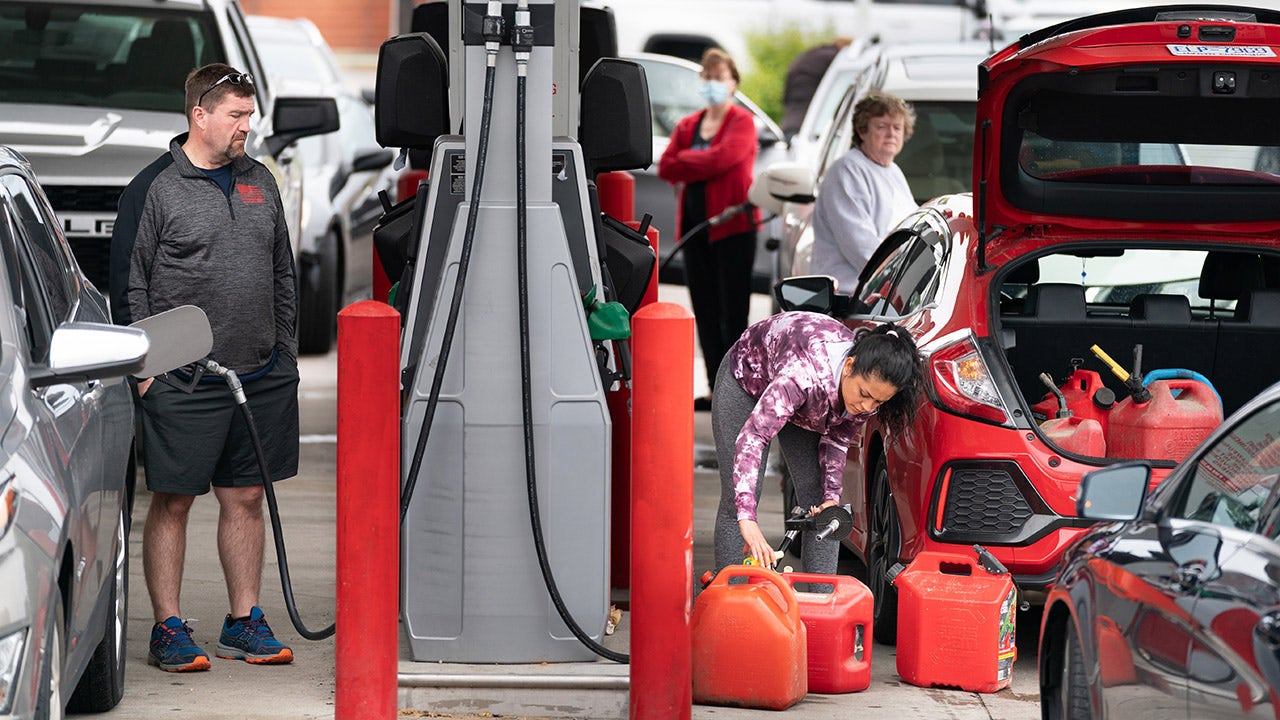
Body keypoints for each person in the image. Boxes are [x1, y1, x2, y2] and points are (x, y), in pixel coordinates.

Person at [109, 63, 299, 672]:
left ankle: (243, 621)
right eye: (236, 116)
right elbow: (128, 281)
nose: (247, 127)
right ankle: (168, 627)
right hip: (183, 377)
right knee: (174, 500)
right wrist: (146, 367)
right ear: (199, 115)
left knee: (244, 496)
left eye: (250, 116)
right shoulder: (155, 187)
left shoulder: (260, 181)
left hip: (260, 372)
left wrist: (286, 356)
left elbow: (282, 274)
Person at [712, 314, 923, 577]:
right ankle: (729, 605)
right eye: (865, 395)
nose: (868, 407)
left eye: (877, 402)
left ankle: (823, 602)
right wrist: (748, 518)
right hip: (748, 380)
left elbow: (838, 439)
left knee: (824, 508)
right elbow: (754, 436)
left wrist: (831, 497)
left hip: (803, 402)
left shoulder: (865, 392)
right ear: (849, 366)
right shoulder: (802, 376)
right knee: (740, 498)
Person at [657, 47, 761, 411]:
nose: (714, 84)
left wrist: (689, 161)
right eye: (708, 77)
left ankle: (740, 389)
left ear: (733, 83)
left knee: (732, 311)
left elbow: (725, 159)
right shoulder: (688, 125)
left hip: (732, 228)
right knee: (704, 306)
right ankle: (715, 388)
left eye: (720, 77)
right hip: (696, 229)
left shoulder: (742, 122)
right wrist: (693, 163)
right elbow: (666, 167)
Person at [810, 93, 918, 293]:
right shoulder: (847, 170)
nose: (891, 134)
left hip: (882, 292)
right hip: (848, 296)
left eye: (897, 127)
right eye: (881, 126)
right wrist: (903, 277)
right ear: (862, 131)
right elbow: (860, 245)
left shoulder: (893, 171)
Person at [781, 37, 852, 142]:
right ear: (845, 47)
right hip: (815, 129)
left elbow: (785, 96)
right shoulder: (837, 60)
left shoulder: (807, 56)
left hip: (790, 124)